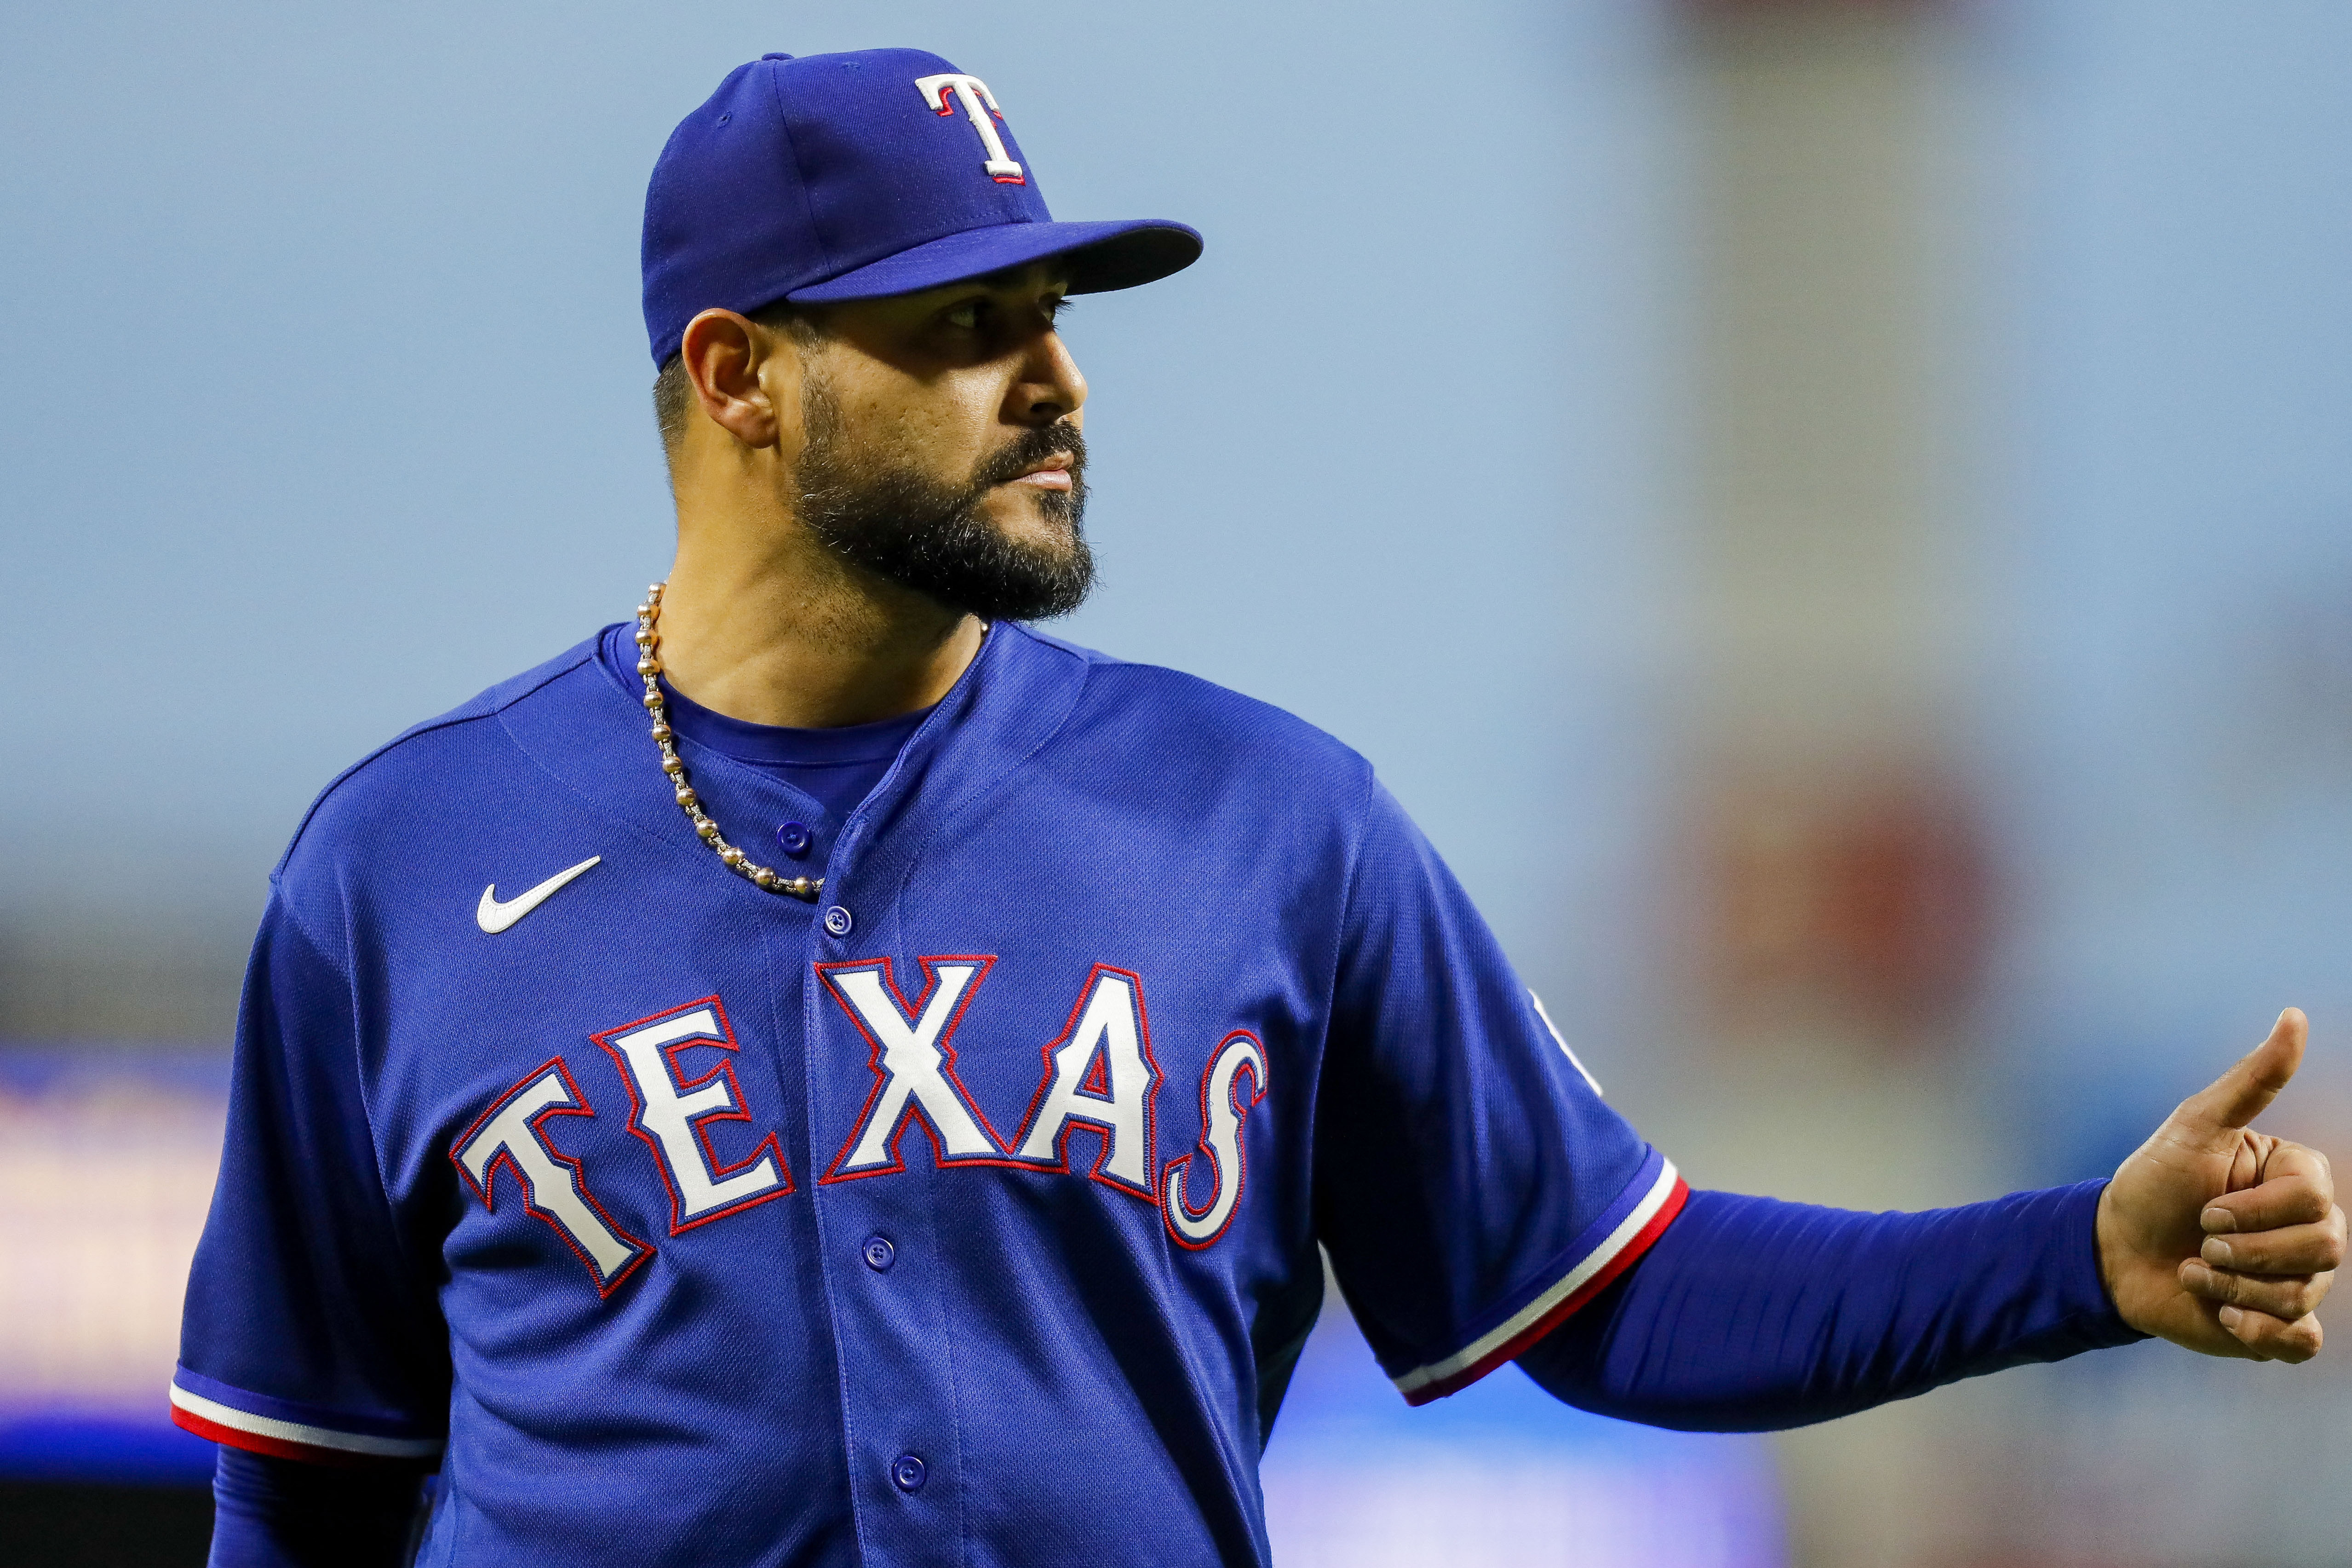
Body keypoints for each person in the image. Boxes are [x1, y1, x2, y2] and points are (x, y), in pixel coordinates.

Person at [175, 48, 2342, 1568]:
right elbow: (305, 1482)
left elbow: (1615, 1288)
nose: (1059, 376)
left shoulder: (1264, 820)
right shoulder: (400, 867)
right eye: (964, 324)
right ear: (742, 378)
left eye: (1054, 311)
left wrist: (2072, 1255)